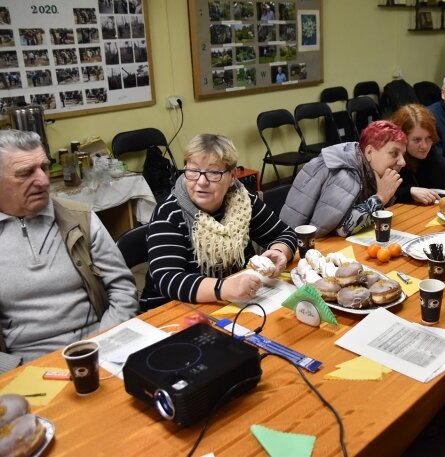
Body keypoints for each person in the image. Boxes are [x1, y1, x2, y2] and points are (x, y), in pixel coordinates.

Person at [0, 130, 138, 371]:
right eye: (26, 173)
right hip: (26, 367)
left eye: (44, 167)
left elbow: (123, 288)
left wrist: (101, 345)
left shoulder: (80, 218)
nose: (43, 181)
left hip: (100, 348)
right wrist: (14, 371)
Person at [141, 134, 296, 312]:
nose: (201, 181)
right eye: (193, 171)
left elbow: (286, 234)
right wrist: (225, 288)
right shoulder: (169, 213)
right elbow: (169, 279)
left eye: (213, 173)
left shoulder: (243, 202)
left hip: (232, 304)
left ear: (232, 177)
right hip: (169, 310)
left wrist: (278, 252)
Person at [281, 121, 407, 237]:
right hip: (296, 247)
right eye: (394, 153)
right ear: (369, 152)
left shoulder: (366, 165)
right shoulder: (344, 174)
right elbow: (340, 229)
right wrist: (380, 198)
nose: (403, 162)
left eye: (403, 155)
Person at [388, 104, 445, 205]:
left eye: (429, 137)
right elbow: (382, 194)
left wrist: (431, 152)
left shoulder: (427, 149)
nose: (424, 146)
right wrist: (409, 191)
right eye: (417, 140)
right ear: (402, 138)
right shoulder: (389, 156)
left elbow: (443, 180)